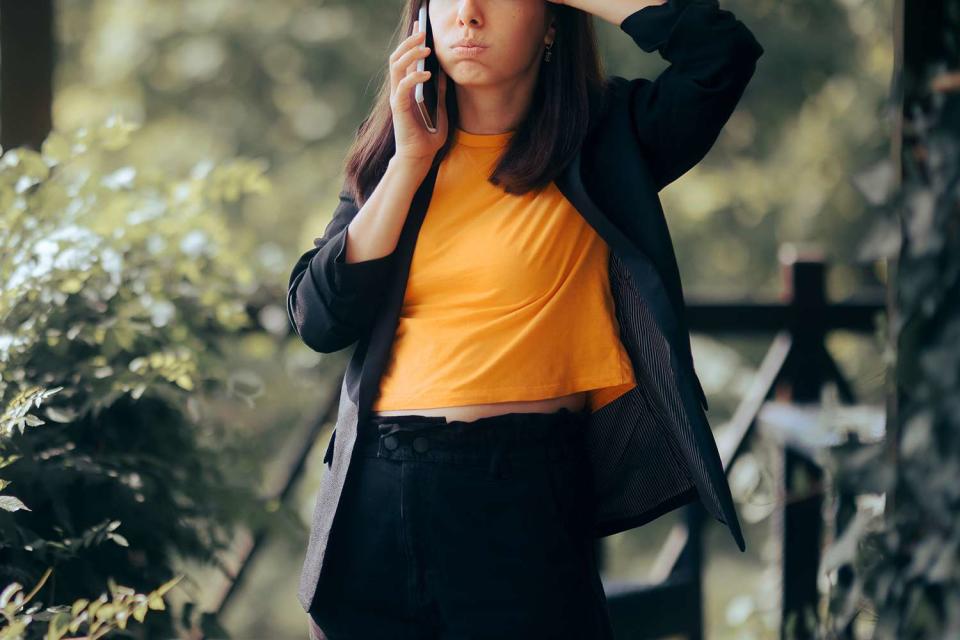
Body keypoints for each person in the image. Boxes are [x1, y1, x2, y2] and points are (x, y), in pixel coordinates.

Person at [288, 0, 764, 637]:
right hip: (375, 494)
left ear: (551, 22)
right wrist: (408, 164)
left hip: (520, 498)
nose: (470, 15)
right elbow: (318, 318)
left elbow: (721, 52)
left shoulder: (610, 139)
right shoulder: (395, 155)